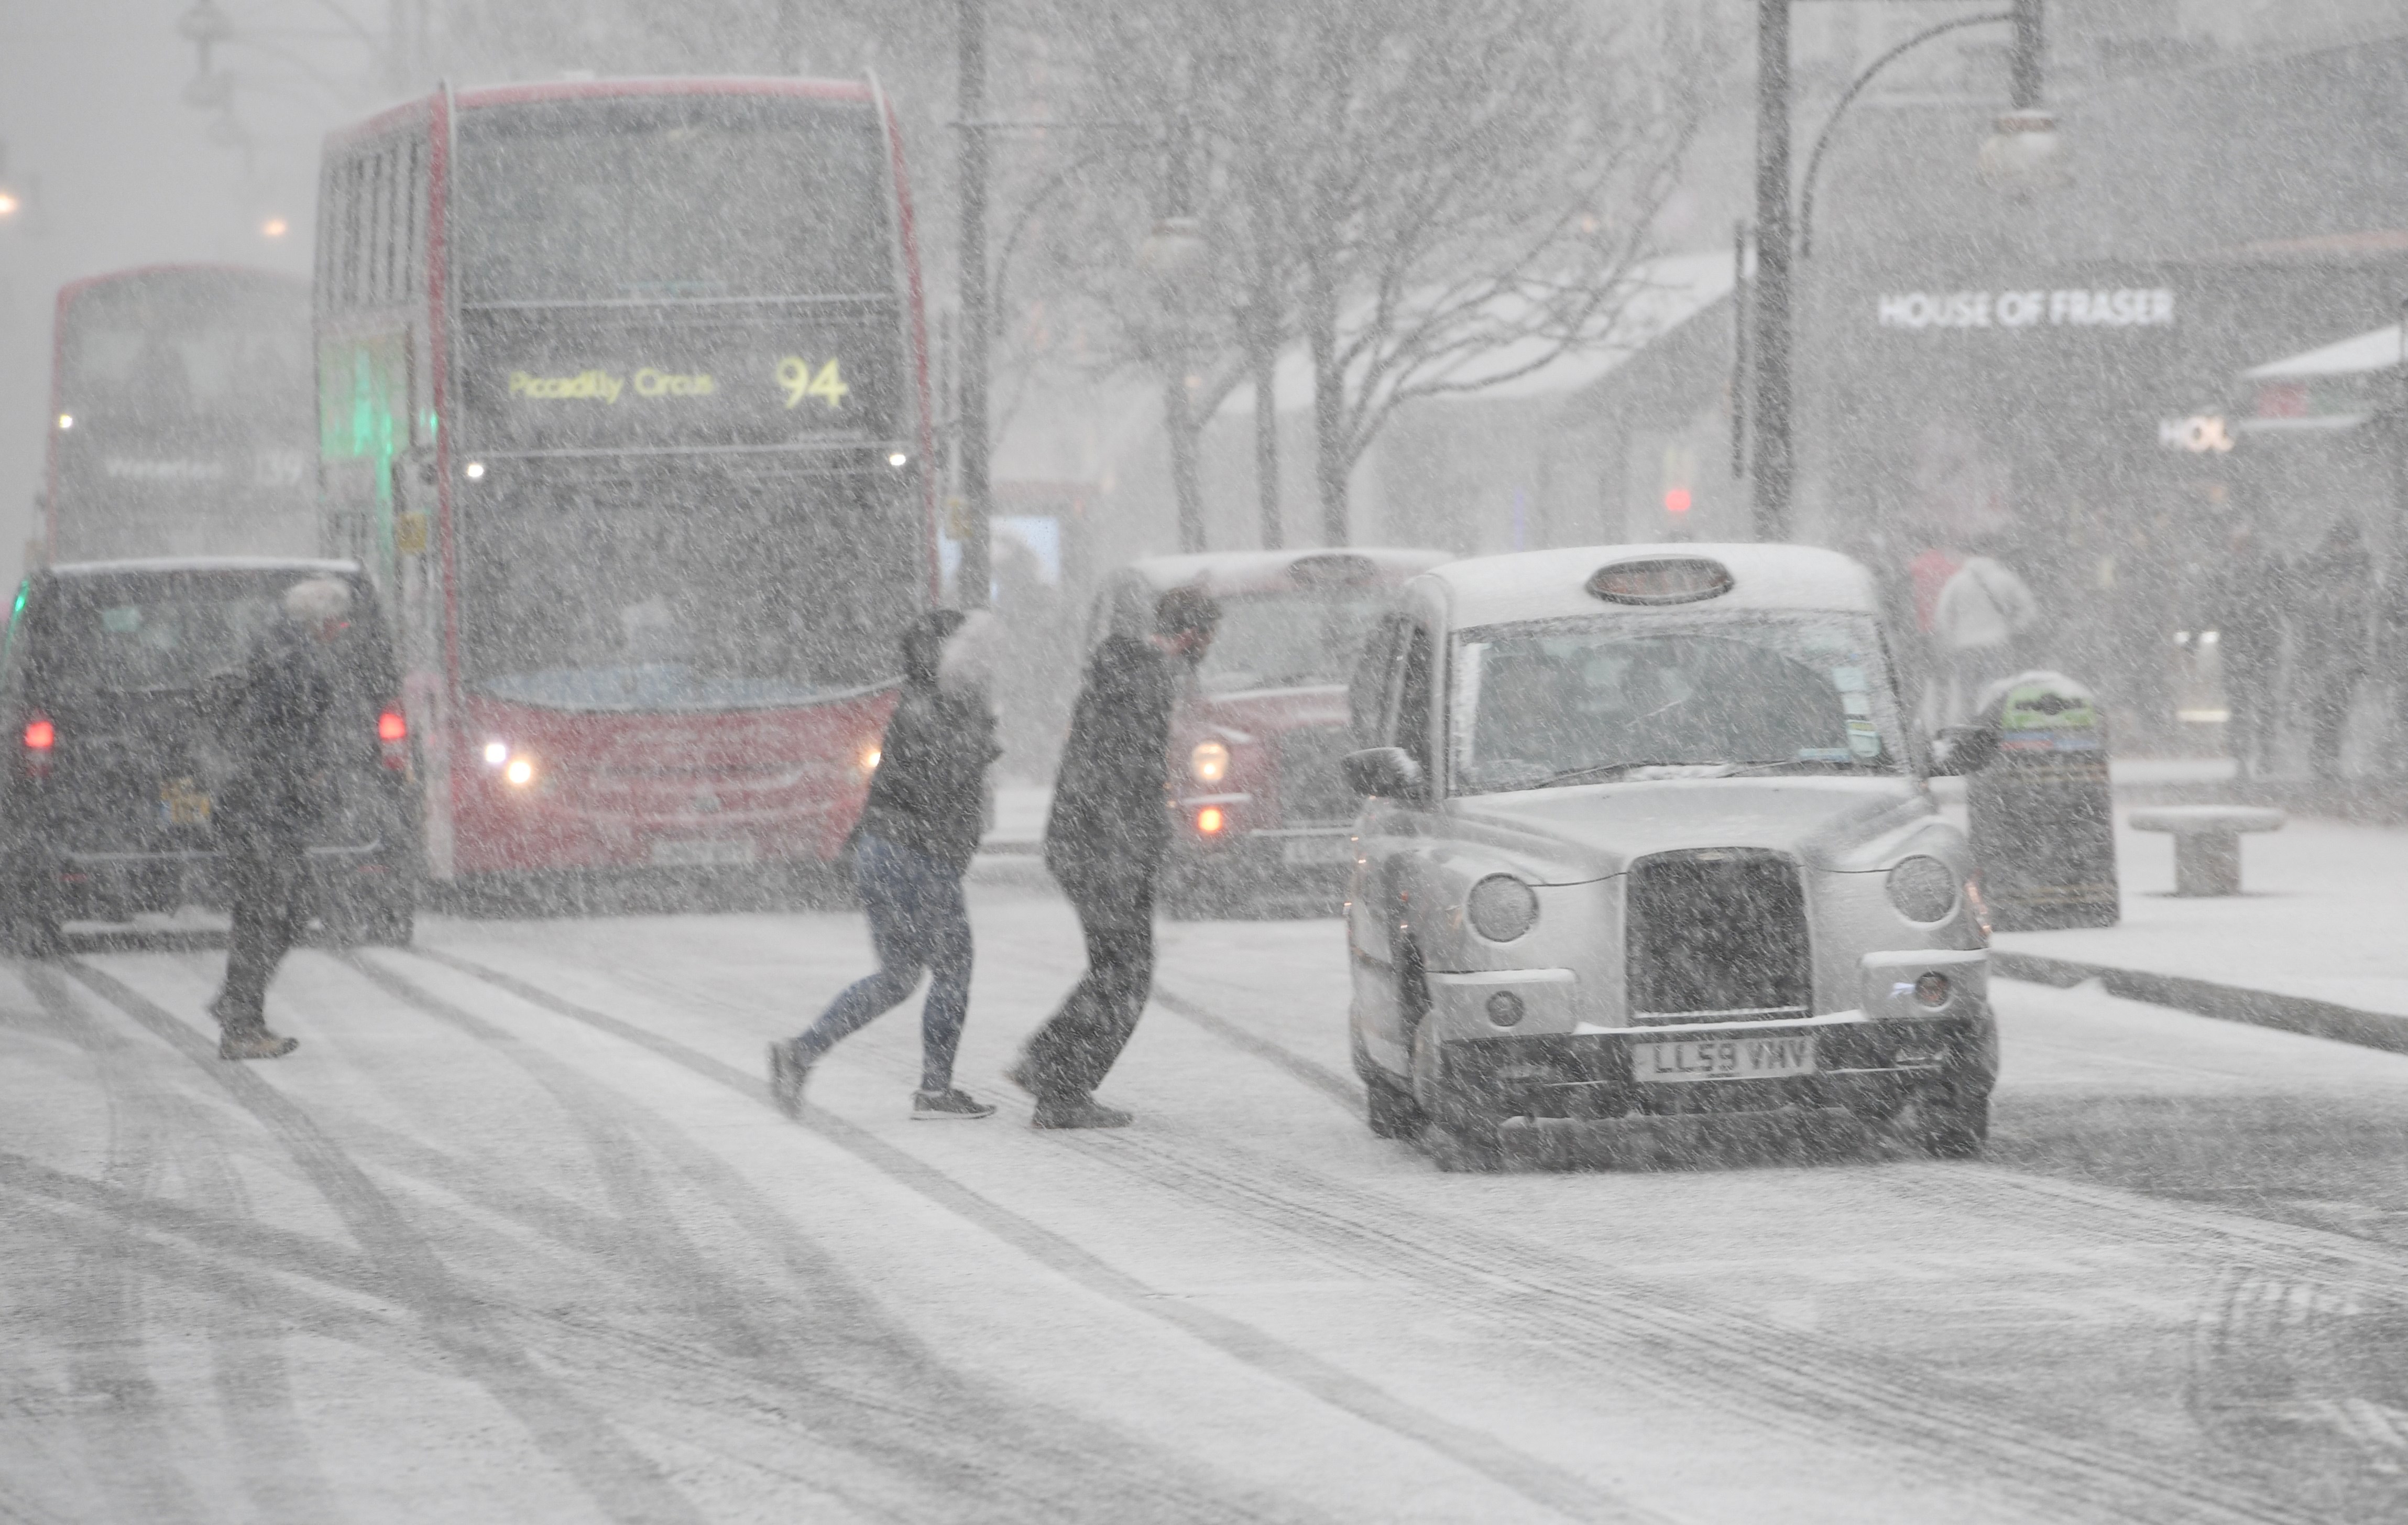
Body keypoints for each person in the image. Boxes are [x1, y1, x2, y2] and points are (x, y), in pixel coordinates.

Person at [769, 609, 1003, 1119]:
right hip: (918, 856)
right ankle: (935, 1093)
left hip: (882, 851)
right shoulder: (944, 708)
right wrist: (983, 733)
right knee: (953, 969)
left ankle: (801, 1052)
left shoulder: (917, 702)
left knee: (897, 977)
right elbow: (944, 785)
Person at [1010, 585, 1221, 1129]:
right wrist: (1134, 850)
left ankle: (1050, 1069)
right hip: (1106, 850)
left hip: (1085, 842)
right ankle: (1059, 1083)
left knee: (1115, 969)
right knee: (1127, 974)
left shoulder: (1123, 671)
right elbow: (1125, 778)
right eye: (1208, 638)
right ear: (1193, 635)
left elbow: (1106, 770)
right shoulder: (1146, 681)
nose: (1207, 651)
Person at [209, 577, 366, 1060]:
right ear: (320, 622)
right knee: (272, 912)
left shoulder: (276, 653)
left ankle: (237, 1009)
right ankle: (240, 1022)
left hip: (259, 807)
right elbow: (277, 739)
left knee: (272, 911)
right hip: (265, 810)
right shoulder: (291, 666)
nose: (341, 631)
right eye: (338, 622)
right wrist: (306, 775)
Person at [2201, 521, 2284, 780]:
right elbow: (2211, 603)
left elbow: (2283, 599)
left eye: (2243, 543)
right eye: (2236, 543)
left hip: (2260, 644)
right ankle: (2243, 758)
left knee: (2263, 704)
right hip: (2239, 645)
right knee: (2241, 705)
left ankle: (2264, 756)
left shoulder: (2267, 567)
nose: (2238, 548)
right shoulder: (2225, 569)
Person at [2292, 517, 2372, 781]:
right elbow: (2306, 604)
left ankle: (2328, 757)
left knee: (2337, 707)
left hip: (2343, 650)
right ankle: (2322, 756)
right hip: (2325, 650)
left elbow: (2365, 608)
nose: (2344, 547)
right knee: (2324, 706)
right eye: (2342, 542)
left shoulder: (2360, 566)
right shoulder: (2319, 565)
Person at [1929, 552, 2041, 729]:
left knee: (1967, 697)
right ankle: (1994, 731)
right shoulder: (2005, 579)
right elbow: (2028, 610)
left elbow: (1942, 615)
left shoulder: (1957, 581)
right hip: (1997, 645)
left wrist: (1951, 639)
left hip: (1966, 647)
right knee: (1997, 692)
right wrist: (2013, 629)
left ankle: (1969, 733)